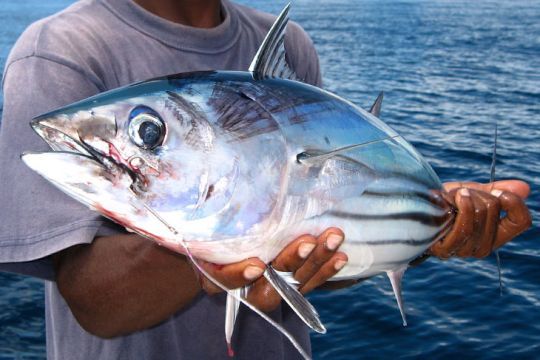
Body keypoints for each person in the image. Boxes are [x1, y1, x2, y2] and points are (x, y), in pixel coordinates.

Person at [0, 0, 531, 359]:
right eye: (149, 132)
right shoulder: (60, 50)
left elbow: (315, 250)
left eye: (147, 132)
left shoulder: (286, 45)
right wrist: (217, 263)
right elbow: (94, 300)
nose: (140, 143)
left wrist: (424, 235)